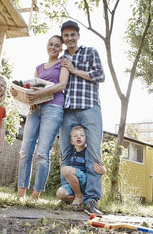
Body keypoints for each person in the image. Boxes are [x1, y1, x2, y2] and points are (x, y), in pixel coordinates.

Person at [11, 35, 70, 201]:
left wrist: (41, 93)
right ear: (47, 46)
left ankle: (35, 195)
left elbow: (62, 85)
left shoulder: (62, 63)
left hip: (54, 107)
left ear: (60, 48)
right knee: (25, 151)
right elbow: (30, 88)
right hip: (36, 109)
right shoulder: (39, 68)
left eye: (57, 45)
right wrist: (25, 95)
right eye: (50, 44)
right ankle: (21, 194)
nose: (53, 47)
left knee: (42, 153)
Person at [59, 20, 105, 216]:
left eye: (72, 34)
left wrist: (74, 70)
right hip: (68, 110)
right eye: (66, 35)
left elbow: (100, 75)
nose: (69, 38)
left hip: (89, 107)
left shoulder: (90, 51)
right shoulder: (62, 58)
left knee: (93, 153)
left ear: (78, 35)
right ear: (63, 38)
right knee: (65, 153)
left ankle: (91, 199)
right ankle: (70, 193)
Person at [56, 125, 106, 206]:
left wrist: (103, 171)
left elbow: (99, 166)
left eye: (82, 135)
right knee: (60, 193)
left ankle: (78, 197)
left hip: (83, 181)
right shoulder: (71, 153)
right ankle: (80, 197)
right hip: (73, 184)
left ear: (86, 140)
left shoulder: (88, 152)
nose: (78, 137)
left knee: (66, 169)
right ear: (72, 141)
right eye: (75, 136)